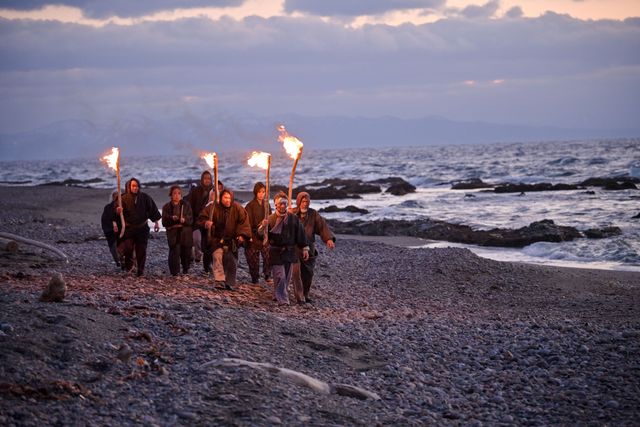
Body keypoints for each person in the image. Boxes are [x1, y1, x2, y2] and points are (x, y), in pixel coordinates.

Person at [259, 192, 309, 305]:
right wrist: (263, 226)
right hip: (275, 251)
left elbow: (300, 233)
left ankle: (278, 294)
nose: (282, 206)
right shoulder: (270, 219)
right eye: (280, 203)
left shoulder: (293, 219)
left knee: (286, 277)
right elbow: (260, 234)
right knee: (280, 275)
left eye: (284, 203)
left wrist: (305, 248)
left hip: (289, 251)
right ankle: (283, 300)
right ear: (276, 205)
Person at [197, 188, 251, 290]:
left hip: (231, 240)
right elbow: (201, 218)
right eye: (225, 197)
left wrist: (241, 235)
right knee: (217, 256)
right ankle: (219, 280)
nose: (227, 200)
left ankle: (229, 282)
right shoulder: (213, 207)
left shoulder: (238, 208)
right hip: (216, 239)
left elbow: (243, 222)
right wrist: (206, 223)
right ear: (221, 197)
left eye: (229, 198)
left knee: (231, 261)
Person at [291, 192, 335, 304]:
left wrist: (329, 239)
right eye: (303, 201)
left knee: (308, 273)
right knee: (296, 273)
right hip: (295, 247)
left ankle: (305, 294)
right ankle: (299, 297)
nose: (305, 204)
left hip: (309, 246)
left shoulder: (313, 214)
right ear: (299, 202)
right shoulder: (292, 213)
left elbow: (322, 226)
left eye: (307, 202)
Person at [116, 177, 161, 276]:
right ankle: (129, 268)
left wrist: (156, 222)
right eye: (133, 186)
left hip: (142, 228)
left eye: (136, 186)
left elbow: (152, 209)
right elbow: (115, 212)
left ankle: (140, 271)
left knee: (141, 250)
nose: (135, 188)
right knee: (128, 248)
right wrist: (118, 211)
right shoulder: (122, 198)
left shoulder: (145, 197)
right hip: (129, 229)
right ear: (129, 187)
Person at [244, 182, 272, 284]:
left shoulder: (267, 204)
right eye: (260, 192)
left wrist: (267, 226)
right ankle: (255, 278)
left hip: (264, 235)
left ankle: (267, 275)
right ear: (256, 192)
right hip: (253, 234)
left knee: (268, 255)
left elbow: (270, 218)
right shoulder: (250, 205)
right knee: (253, 259)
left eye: (263, 192)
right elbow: (248, 222)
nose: (261, 194)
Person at [162, 185, 193, 276]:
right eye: (174, 193)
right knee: (174, 251)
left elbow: (190, 218)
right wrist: (172, 218)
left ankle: (185, 268)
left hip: (185, 232)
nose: (176, 195)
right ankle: (174, 272)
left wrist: (185, 220)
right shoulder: (166, 207)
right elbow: (164, 221)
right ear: (171, 195)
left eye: (179, 193)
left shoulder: (186, 205)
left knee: (186, 251)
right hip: (173, 232)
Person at [187, 171, 213, 273]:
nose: (207, 180)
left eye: (209, 178)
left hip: (210, 222)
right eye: (205, 178)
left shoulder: (214, 191)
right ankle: (197, 255)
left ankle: (208, 265)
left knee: (209, 244)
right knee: (197, 240)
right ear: (202, 179)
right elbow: (190, 206)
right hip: (197, 221)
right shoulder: (196, 191)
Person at [101, 190, 122, 268]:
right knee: (114, 248)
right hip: (111, 232)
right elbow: (105, 220)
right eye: (115, 196)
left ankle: (125, 263)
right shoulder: (108, 208)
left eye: (118, 196)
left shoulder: (124, 206)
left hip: (122, 231)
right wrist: (112, 228)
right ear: (113, 197)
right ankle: (118, 262)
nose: (117, 198)